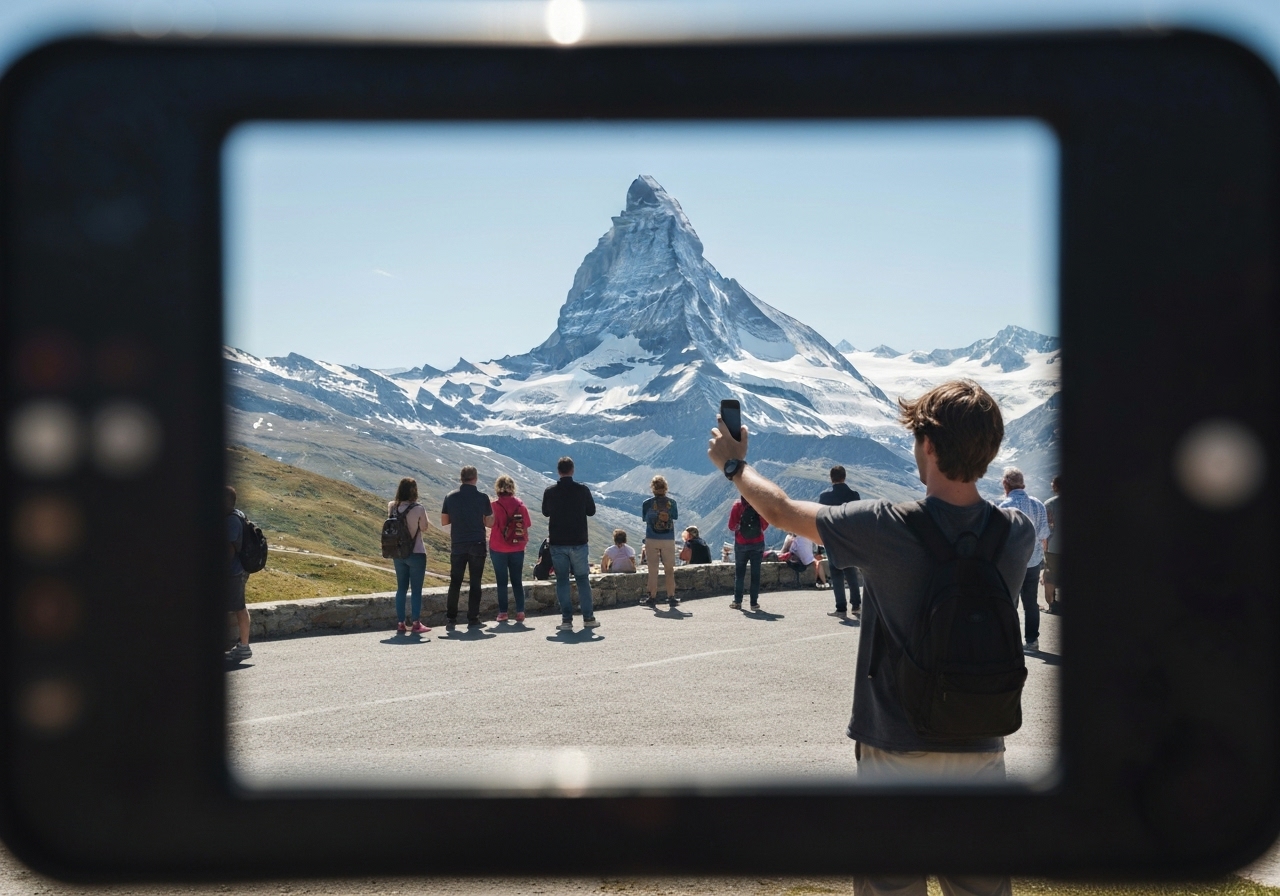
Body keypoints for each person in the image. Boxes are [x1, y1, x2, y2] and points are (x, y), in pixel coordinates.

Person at [708, 379, 1035, 896]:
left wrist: (735, 464)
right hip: (981, 741)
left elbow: (781, 512)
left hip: (895, 744)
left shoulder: (885, 526)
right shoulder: (1016, 532)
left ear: (928, 445)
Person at [541, 457, 599, 631]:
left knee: (562, 580)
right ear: (572, 470)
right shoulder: (582, 490)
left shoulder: (550, 492)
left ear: (559, 471)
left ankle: (566, 620)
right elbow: (591, 511)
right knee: (582, 579)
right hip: (579, 541)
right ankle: (588, 618)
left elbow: (545, 512)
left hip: (558, 543)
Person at [998, 467, 1051, 653]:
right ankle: (1032, 642)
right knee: (1031, 603)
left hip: (1011, 564)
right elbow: (1044, 534)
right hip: (1033, 560)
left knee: (1010, 603)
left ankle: (1009, 642)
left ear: (1005, 484)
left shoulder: (1004, 507)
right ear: (1023, 483)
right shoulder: (1038, 504)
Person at [441, 465, 494, 628]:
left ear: (461, 478)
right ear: (475, 478)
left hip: (458, 544)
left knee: (455, 581)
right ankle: (473, 618)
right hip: (477, 543)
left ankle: (451, 618)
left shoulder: (450, 497)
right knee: (475, 581)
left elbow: (444, 521)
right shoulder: (482, 497)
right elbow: (490, 522)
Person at [388, 477, 432, 634]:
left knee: (401, 588)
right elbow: (424, 527)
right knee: (416, 590)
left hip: (398, 553)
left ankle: (400, 623)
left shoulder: (392, 506)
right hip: (416, 552)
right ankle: (416, 623)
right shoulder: (418, 508)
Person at [819, 465, 863, 618]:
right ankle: (856, 605)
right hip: (849, 539)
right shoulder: (854, 495)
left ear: (831, 478)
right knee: (851, 572)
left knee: (836, 573)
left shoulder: (825, 497)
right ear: (845, 477)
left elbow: (820, 518)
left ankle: (841, 608)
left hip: (832, 539)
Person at [489, 474, 530, 623]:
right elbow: (526, 526)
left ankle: (503, 612)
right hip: (517, 547)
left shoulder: (493, 506)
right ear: (512, 488)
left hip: (498, 547)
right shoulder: (520, 506)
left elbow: (488, 524)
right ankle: (520, 611)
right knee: (517, 580)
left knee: (501, 581)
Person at [640, 475, 679, 608]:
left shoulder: (647, 503)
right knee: (669, 569)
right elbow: (675, 516)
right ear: (666, 488)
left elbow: (645, 519)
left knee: (653, 569)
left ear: (652, 488)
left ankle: (652, 596)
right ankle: (671, 596)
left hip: (651, 538)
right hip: (668, 539)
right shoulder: (672, 503)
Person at [727, 495, 769, 610]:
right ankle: (754, 603)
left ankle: (737, 601)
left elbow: (731, 526)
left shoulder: (737, 505)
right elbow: (765, 524)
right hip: (757, 543)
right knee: (755, 574)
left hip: (741, 544)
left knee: (740, 574)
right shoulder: (759, 505)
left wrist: (741, 529)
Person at [225, 486, 252, 661]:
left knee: (239, 608)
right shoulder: (235, 516)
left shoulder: (231, 521)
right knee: (238, 607)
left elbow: (228, 552)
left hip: (233, 573)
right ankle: (242, 646)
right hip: (236, 572)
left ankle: (244, 647)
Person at [1043, 475, 1062, 614]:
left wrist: (1045, 544)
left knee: (1050, 574)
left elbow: (1047, 528)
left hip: (1054, 545)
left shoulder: (1049, 504)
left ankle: (1052, 605)